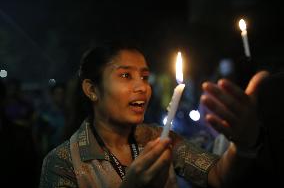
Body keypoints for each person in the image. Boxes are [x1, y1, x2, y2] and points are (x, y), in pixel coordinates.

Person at [39, 40, 270, 188]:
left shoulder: (159, 139)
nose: (142, 87)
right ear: (92, 90)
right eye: (126, 76)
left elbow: (218, 176)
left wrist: (244, 144)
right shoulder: (62, 162)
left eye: (145, 77)